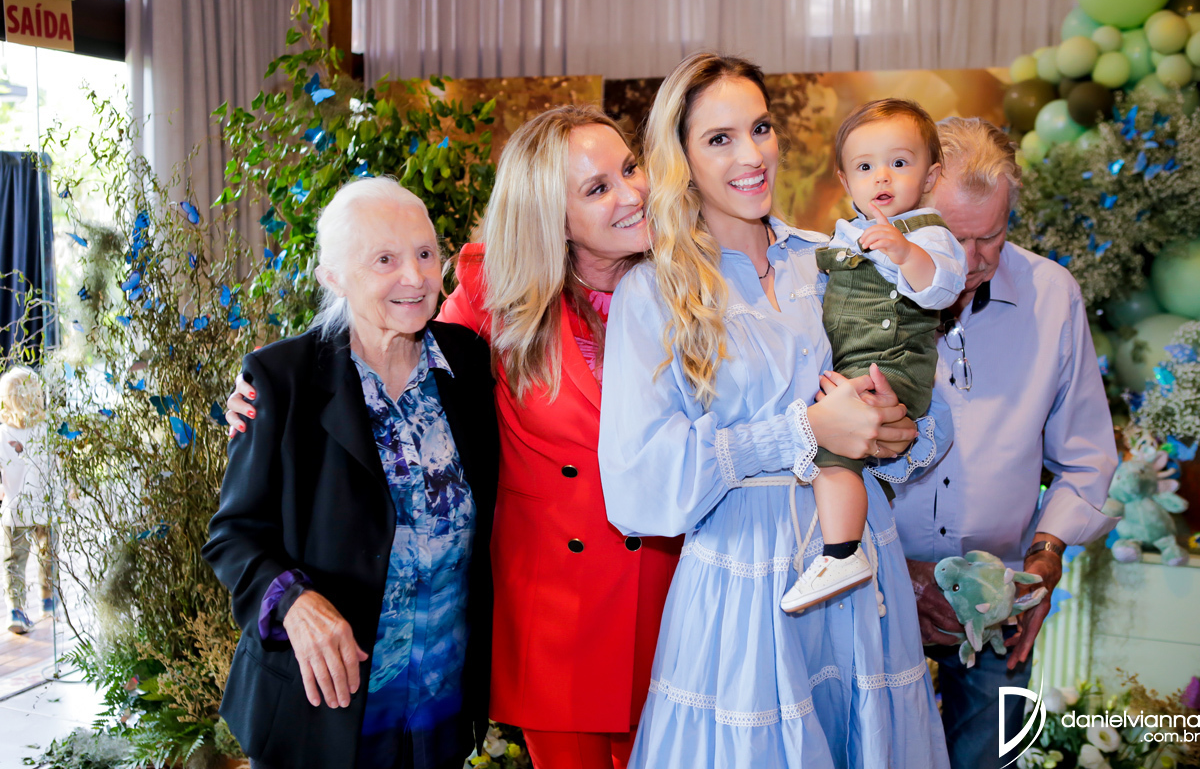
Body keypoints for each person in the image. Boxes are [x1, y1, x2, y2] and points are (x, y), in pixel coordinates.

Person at [227, 106, 681, 769]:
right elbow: (364, 336)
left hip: (648, 605)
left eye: (630, 169)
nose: (415, 276)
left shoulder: (685, 282)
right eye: (596, 187)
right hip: (544, 627)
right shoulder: (494, 301)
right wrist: (256, 397)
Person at [598, 53, 950, 768]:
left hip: (861, 571)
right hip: (743, 585)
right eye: (720, 138)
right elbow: (638, 488)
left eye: (760, 128)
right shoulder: (654, 292)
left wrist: (897, 428)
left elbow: (928, 415)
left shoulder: (834, 259)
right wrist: (802, 432)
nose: (752, 155)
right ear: (681, 159)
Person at [203, 178, 499, 769]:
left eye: (425, 253)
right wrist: (293, 602)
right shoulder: (282, 379)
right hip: (324, 714)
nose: (415, 277)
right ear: (334, 276)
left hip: (440, 704)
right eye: (384, 259)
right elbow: (233, 535)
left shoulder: (467, 361)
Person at [891, 117, 1118, 769]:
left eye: (991, 236)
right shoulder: (860, 293)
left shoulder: (1053, 296)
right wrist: (899, 578)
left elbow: (1085, 456)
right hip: (877, 594)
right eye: (953, 238)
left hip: (999, 602)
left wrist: (1046, 557)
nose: (973, 260)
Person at [781, 99, 967, 614]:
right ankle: (868, 566)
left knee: (833, 450)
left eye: (899, 162)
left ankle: (841, 554)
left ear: (931, 176)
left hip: (893, 366)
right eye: (865, 167)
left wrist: (906, 254)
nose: (881, 176)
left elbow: (943, 287)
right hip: (854, 364)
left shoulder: (929, 234)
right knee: (853, 464)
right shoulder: (842, 235)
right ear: (845, 180)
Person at [0, 367, 55, 635]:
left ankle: (17, 611)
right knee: (48, 556)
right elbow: (56, 465)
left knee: (13, 562)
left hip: (15, 509)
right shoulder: (45, 430)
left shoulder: (2, 434)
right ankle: (48, 601)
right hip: (45, 507)